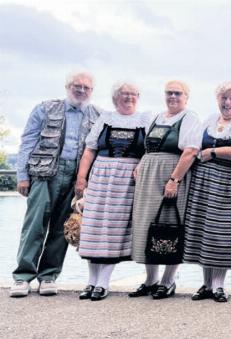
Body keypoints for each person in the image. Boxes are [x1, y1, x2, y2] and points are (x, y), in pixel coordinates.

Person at [11, 72, 101, 298]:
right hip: (44, 173)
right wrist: (22, 175)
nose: (81, 90)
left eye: (86, 87)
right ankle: (22, 277)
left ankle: (49, 276)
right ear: (67, 86)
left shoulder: (97, 114)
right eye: (76, 86)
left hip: (76, 177)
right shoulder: (45, 108)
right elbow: (28, 141)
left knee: (63, 227)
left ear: (92, 91)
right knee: (34, 225)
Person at [74, 82, 150, 301]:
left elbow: (151, 149)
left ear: (138, 96)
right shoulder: (105, 118)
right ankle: (91, 281)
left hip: (126, 180)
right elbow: (90, 149)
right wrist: (82, 178)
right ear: (116, 97)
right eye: (124, 94)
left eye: (133, 94)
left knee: (113, 229)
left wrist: (141, 165)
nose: (129, 97)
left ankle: (103, 283)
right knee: (93, 227)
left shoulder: (145, 119)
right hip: (100, 175)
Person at [183, 82, 231, 302]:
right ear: (217, 100)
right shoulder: (208, 121)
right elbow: (193, 148)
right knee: (204, 231)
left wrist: (214, 152)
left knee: (221, 232)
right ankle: (206, 284)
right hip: (204, 182)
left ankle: (219, 285)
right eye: (223, 98)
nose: (227, 102)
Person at [130, 80, 202, 299]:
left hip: (171, 172)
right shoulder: (156, 117)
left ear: (186, 97)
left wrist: (174, 180)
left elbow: (190, 151)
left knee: (171, 225)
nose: (172, 97)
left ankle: (168, 280)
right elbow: (147, 147)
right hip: (149, 176)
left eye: (177, 93)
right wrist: (141, 163)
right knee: (145, 225)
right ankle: (150, 280)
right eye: (169, 93)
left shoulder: (189, 117)